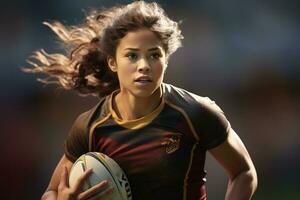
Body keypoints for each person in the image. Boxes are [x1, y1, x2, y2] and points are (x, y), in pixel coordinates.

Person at [25, 1, 257, 200]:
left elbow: (243, 172)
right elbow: (51, 192)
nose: (144, 65)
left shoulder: (195, 113)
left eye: (154, 55)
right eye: (132, 55)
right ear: (112, 62)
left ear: (166, 60)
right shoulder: (89, 126)